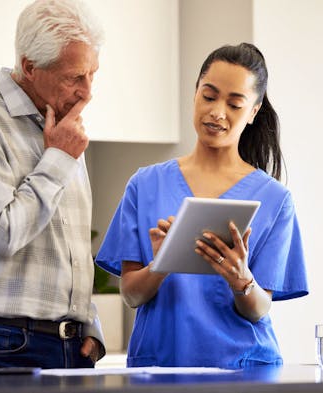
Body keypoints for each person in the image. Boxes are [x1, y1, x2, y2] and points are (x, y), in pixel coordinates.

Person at [95, 43, 309, 369]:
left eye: (235, 104)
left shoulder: (275, 199)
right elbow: (131, 294)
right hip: (161, 367)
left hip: (242, 370)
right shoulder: (145, 185)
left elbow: (258, 308)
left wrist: (242, 281)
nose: (217, 112)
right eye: (209, 96)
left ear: (253, 111)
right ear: (195, 92)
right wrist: (162, 263)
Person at [0, 0, 105, 374]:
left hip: (72, 350)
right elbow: (1, 233)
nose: (87, 92)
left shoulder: (64, 129)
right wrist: (58, 159)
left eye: (93, 73)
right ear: (29, 66)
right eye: (75, 77)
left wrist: (88, 321)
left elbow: (66, 246)